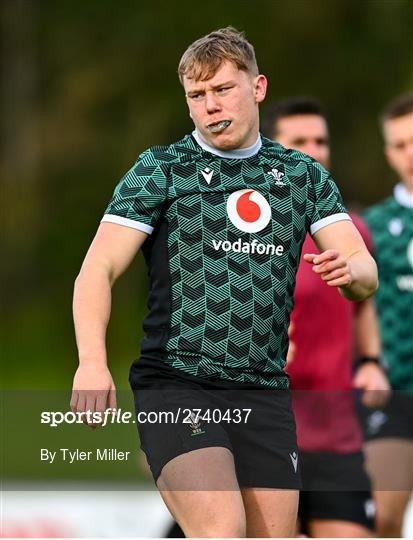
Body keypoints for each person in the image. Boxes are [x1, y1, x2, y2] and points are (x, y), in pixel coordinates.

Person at [70, 28, 378, 538]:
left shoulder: (302, 175)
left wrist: (353, 274)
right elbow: (96, 270)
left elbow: (362, 266)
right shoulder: (162, 169)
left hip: (264, 391)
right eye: (197, 96)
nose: (210, 106)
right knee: (221, 528)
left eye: (222, 90)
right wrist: (91, 362)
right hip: (179, 382)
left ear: (257, 88)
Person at [262, 97, 390, 538]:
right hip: (267, 433)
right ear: (269, 149)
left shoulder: (350, 229)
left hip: (336, 437)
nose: (314, 151)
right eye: (300, 141)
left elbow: (362, 303)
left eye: (321, 140)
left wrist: (371, 361)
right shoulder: (245, 233)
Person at [360, 93, 413, 538]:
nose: (410, 154)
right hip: (396, 395)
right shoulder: (369, 226)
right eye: (400, 145)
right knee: (379, 517)